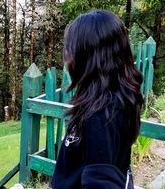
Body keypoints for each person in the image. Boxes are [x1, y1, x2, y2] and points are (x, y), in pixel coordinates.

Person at [51, 10, 144, 189]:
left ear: (88, 58)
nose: (67, 60)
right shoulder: (108, 103)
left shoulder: (102, 116)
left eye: (71, 52)